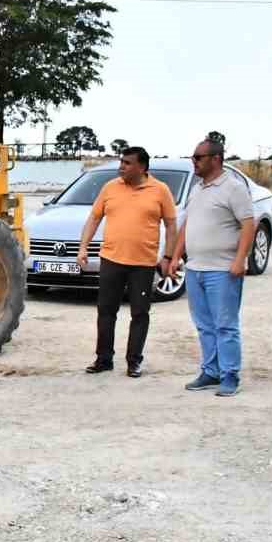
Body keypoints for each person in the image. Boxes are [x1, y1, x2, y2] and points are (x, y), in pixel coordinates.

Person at [74, 146, 178, 377]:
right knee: (106, 311)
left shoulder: (160, 190)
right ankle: (103, 359)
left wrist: (168, 257)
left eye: (127, 163)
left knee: (140, 313)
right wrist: (83, 248)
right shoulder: (110, 187)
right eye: (121, 161)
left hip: (143, 263)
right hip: (111, 259)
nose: (121, 166)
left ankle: (134, 361)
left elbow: (171, 225)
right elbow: (94, 218)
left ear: (142, 166)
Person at [166, 137, 255, 397]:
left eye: (198, 157)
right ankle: (210, 371)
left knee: (225, 325)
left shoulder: (233, 188)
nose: (193, 162)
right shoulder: (197, 188)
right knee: (204, 324)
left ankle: (230, 376)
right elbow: (187, 224)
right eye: (193, 157)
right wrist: (174, 256)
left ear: (215, 159)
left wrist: (240, 259)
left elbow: (248, 224)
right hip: (195, 269)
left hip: (222, 269)